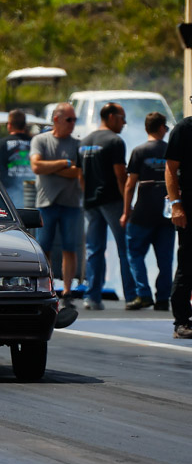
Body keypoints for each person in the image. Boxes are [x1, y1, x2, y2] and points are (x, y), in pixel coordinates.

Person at [78, 102, 136, 310]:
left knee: (94, 250)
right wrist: (127, 206)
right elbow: (121, 175)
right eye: (122, 118)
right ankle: (131, 296)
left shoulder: (84, 142)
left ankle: (92, 297)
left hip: (91, 202)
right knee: (125, 248)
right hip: (112, 201)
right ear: (111, 117)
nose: (124, 123)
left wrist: (87, 196)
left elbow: (80, 176)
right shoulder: (114, 141)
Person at [30, 102, 83, 308]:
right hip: (46, 203)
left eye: (74, 120)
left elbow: (77, 172)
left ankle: (67, 290)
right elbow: (36, 166)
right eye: (69, 119)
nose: (72, 123)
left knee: (70, 248)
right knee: (44, 249)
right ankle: (48, 288)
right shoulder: (41, 140)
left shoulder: (77, 144)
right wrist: (63, 163)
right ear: (56, 120)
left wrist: (50, 167)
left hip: (71, 203)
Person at [120, 112, 173, 311]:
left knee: (134, 253)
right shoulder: (171, 150)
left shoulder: (139, 151)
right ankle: (163, 299)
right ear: (161, 128)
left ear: (146, 128)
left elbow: (129, 185)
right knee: (165, 259)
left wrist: (126, 212)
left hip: (142, 212)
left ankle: (143, 294)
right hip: (167, 213)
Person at [164, 105, 192, 338]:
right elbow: (170, 169)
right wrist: (176, 205)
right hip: (188, 208)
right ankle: (181, 321)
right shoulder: (184, 129)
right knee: (188, 263)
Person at [0, 109, 35, 208]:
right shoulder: (35, 142)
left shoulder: (2, 144)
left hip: (10, 199)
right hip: (34, 196)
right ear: (24, 125)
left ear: (9, 125)